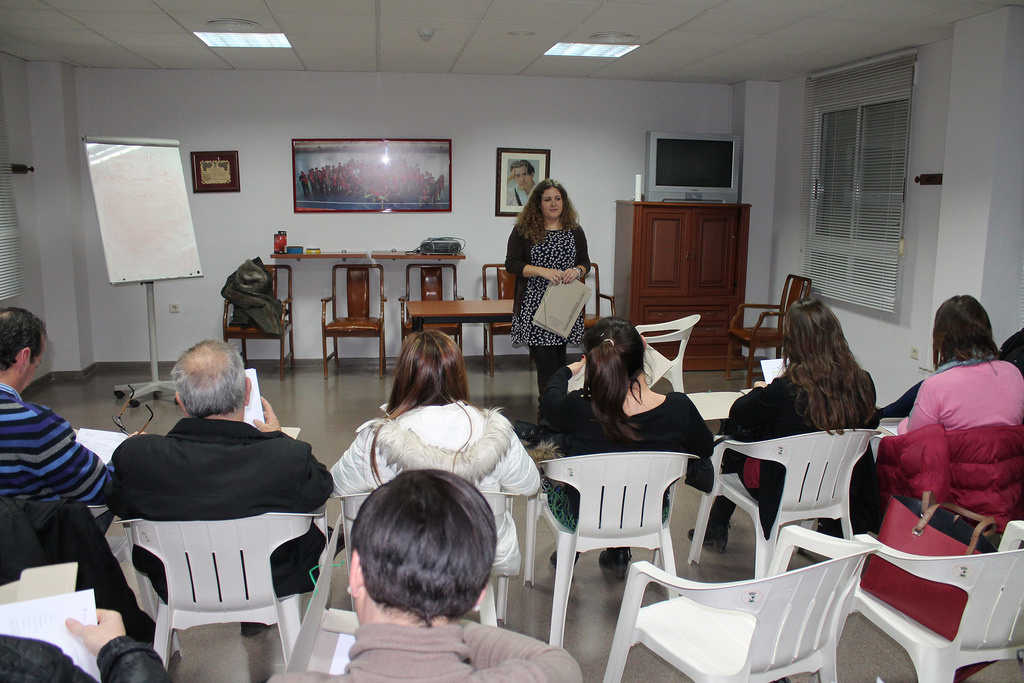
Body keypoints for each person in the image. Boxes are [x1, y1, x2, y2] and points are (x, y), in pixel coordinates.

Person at [281, 469, 582, 682]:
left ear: (356, 574)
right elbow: (559, 664)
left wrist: (395, 637)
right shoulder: (552, 673)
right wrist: (440, 627)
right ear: (479, 594)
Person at [107, 340, 333, 603]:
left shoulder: (137, 457)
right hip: (273, 579)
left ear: (181, 401)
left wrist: (138, 448)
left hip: (177, 583)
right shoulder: (287, 457)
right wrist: (278, 436)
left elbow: (117, 502)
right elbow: (321, 488)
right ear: (247, 392)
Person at [331, 330, 539, 575]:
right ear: (459, 374)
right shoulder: (495, 433)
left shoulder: (377, 439)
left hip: (403, 560)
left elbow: (336, 485)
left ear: (403, 376)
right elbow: (530, 485)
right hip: (478, 554)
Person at [539, 317, 713, 575]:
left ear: (594, 361)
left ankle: (575, 548)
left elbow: (550, 402)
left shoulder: (576, 407)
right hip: (648, 512)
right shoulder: (679, 408)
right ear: (643, 347)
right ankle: (620, 551)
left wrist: (568, 371)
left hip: (584, 513)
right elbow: (705, 447)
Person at [701, 297, 880, 549]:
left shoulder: (786, 389)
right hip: (839, 484)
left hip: (783, 487)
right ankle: (717, 525)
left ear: (794, 343)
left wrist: (760, 390)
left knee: (736, 435)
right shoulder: (863, 383)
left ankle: (717, 524)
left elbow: (739, 412)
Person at [0, 307, 110, 505]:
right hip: (29, 524)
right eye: (38, 362)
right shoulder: (33, 424)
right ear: (24, 358)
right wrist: (127, 454)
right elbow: (99, 488)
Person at [505, 179, 591, 404]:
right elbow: (511, 264)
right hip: (535, 306)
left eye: (558, 199)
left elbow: (585, 262)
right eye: (547, 199)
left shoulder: (575, 230)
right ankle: (548, 411)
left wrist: (577, 271)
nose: (554, 203)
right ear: (538, 203)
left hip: (564, 305)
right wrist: (541, 271)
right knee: (546, 367)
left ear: (564, 202)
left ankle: (557, 408)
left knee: (559, 363)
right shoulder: (523, 231)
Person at [898, 294, 1024, 434]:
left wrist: (903, 424)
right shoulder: (1013, 373)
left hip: (951, 449)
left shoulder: (936, 386)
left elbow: (913, 438)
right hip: (1005, 449)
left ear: (941, 338)